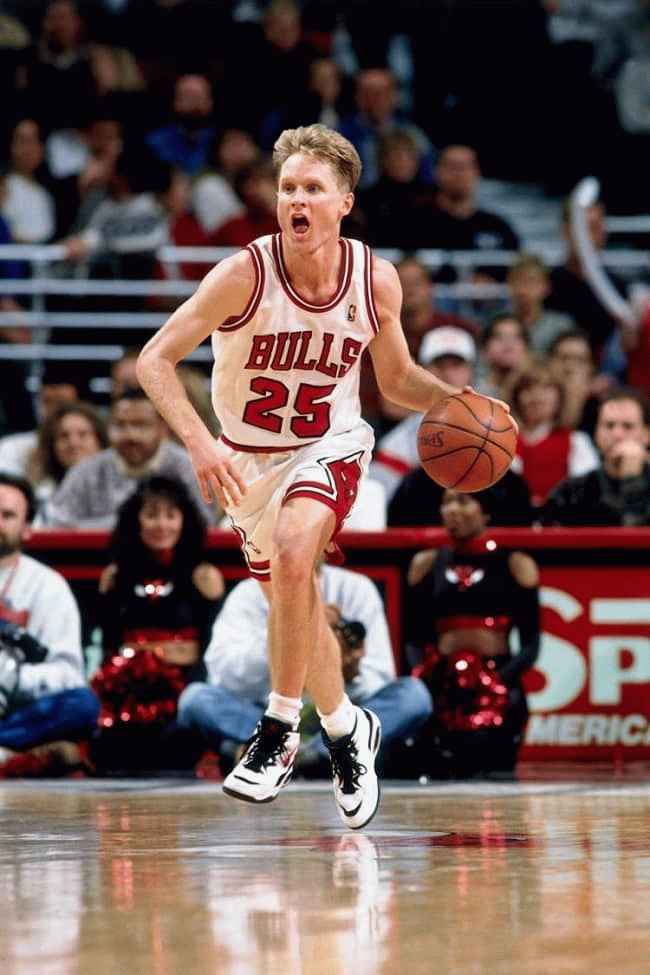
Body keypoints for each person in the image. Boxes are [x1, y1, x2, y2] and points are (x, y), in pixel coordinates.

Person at [136, 123, 510, 830]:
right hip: (248, 460)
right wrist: (200, 444)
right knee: (295, 598)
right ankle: (344, 729)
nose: (296, 200)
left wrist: (455, 402)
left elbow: (394, 379)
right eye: (287, 188)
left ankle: (278, 729)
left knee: (295, 554)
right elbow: (154, 359)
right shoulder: (244, 274)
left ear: (344, 202)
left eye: (312, 188)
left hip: (328, 444)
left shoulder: (374, 279)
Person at [177, 563, 432, 777]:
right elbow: (222, 676)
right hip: (269, 718)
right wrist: (288, 636)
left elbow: (379, 677)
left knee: (413, 695)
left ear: (327, 542)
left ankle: (298, 756)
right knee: (195, 699)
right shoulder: (248, 593)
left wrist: (348, 672)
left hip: (339, 718)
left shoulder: (356, 588)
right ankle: (309, 755)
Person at [91, 475, 223, 773]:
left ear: (184, 521)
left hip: (184, 691)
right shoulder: (114, 577)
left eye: (170, 515)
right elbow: (109, 647)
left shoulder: (204, 577)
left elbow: (210, 651)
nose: (161, 525)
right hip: (127, 694)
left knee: (180, 736)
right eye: (151, 515)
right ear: (136, 521)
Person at [407, 486, 540, 777]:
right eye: (446, 502)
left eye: (463, 501)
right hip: (443, 687)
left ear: (486, 511)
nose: (452, 509)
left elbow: (531, 644)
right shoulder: (424, 564)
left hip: (498, 684)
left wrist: (497, 681)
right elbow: (413, 638)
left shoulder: (516, 564)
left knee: (497, 772)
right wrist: (426, 677)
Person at [0, 473, 99, 777]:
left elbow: (69, 673)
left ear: (27, 527)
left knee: (82, 705)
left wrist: (12, 677)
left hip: (17, 706)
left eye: (7, 515)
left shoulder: (48, 586)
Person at [44, 386, 217, 528]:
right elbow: (57, 524)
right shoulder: (87, 470)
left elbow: (205, 523)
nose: (130, 435)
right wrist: (129, 523)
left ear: (163, 428)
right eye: (120, 425)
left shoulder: (188, 467)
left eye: (140, 425)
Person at [370, 327, 477, 503]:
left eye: (456, 365)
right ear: (423, 372)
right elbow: (380, 495)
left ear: (470, 371)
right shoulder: (399, 440)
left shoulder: (493, 424)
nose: (447, 373)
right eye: (439, 365)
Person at [542, 388, 650, 526]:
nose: (617, 434)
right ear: (596, 433)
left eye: (627, 426)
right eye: (609, 426)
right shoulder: (572, 491)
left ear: (646, 435)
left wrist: (632, 480)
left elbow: (634, 533)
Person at [409, 145, 519, 276]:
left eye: (465, 167)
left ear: (477, 172)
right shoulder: (415, 224)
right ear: (437, 171)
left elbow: (517, 271)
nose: (459, 174)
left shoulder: (498, 227)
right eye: (452, 166)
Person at [510, 363, 599, 507]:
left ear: (560, 396)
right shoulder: (504, 443)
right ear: (516, 396)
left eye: (546, 388)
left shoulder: (576, 442)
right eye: (527, 388)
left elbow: (586, 493)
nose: (536, 396)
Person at [26, 401, 108, 508]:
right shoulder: (42, 495)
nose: (73, 443)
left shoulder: (120, 486)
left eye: (83, 434)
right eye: (64, 436)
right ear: (52, 446)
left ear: (100, 442)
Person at [507, 253, 574, 354]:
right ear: (509, 284)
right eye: (518, 280)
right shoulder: (496, 323)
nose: (523, 288)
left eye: (531, 281)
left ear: (546, 287)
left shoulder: (561, 327)